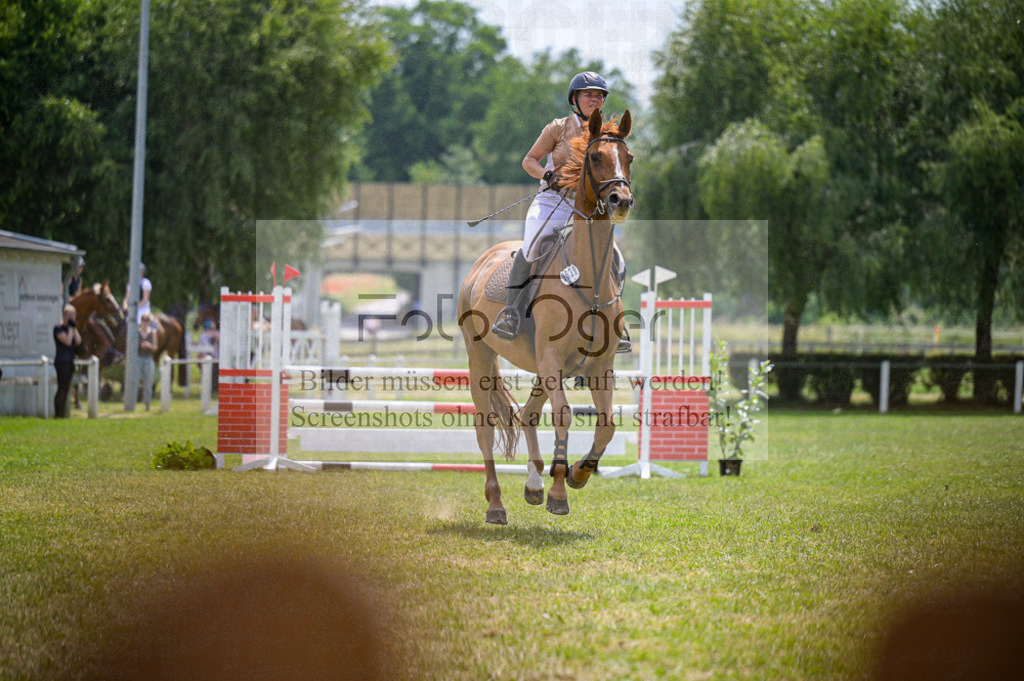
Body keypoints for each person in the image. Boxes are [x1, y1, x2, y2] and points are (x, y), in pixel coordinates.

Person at [491, 71, 630, 352]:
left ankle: (616, 322)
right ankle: (511, 312)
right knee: (531, 246)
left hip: (591, 207)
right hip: (554, 201)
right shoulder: (558, 128)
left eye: (600, 96)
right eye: (589, 94)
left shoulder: (606, 134)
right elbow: (528, 160)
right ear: (575, 99)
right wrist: (546, 175)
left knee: (617, 258)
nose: (596, 99)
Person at [53, 305, 82, 418]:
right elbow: (68, 342)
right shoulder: (58, 328)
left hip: (70, 361)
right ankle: (58, 413)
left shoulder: (72, 328)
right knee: (61, 387)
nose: (71, 318)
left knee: (66, 387)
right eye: (69, 315)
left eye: (73, 316)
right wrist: (70, 328)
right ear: (64, 315)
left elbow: (78, 342)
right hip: (61, 361)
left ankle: (62, 414)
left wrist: (74, 328)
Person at [138, 311, 158, 411]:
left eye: (147, 320)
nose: (144, 322)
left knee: (148, 382)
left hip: (148, 358)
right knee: (134, 380)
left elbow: (155, 347)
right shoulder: (136, 332)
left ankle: (147, 404)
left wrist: (148, 345)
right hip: (138, 358)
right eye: (143, 319)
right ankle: (131, 402)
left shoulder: (153, 332)